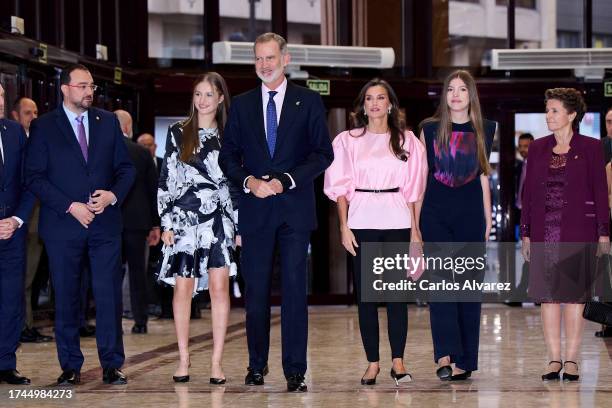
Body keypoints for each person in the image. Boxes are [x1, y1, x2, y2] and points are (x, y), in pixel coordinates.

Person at [219, 32, 333, 392]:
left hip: (294, 212)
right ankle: (256, 366)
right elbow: (227, 156)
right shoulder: (241, 104)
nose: (264, 65)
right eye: (258, 59)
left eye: (270, 58)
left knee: (295, 295)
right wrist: (249, 181)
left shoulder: (309, 101)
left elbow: (322, 154)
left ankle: (295, 370)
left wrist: (286, 179)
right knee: (255, 296)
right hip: (255, 212)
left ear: (286, 58)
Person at [25, 64, 135, 385]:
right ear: (65, 89)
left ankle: (112, 364)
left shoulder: (108, 122)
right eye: (83, 86)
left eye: (92, 87)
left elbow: (125, 169)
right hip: (63, 226)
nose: (89, 92)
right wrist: (70, 206)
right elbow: (33, 176)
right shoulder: (44, 127)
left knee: (107, 295)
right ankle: (70, 365)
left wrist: (112, 196)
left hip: (104, 226)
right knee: (68, 297)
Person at [323, 78, 427, 386]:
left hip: (397, 220)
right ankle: (372, 363)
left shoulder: (408, 140)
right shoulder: (348, 140)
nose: (375, 103)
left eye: (381, 97)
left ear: (391, 103)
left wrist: (416, 233)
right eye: (369, 98)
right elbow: (340, 186)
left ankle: (398, 361)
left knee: (396, 295)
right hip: (362, 220)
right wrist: (343, 226)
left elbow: (415, 191)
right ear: (363, 105)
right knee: (366, 297)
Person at [520, 88, 609, 382]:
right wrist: (526, 232)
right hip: (544, 232)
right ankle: (553, 359)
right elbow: (528, 194)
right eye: (547, 110)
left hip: (578, 231)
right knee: (548, 298)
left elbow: (599, 193)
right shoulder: (537, 148)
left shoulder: (592, 148)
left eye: (554, 110)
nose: (548, 115)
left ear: (571, 115)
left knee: (573, 298)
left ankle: (571, 360)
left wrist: (603, 234)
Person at [415, 69, 496, 381]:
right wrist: (416, 226)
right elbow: (420, 179)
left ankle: (465, 360)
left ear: (470, 95)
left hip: (471, 213)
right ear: (445, 95)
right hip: (435, 212)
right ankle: (445, 355)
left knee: (467, 288)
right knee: (442, 287)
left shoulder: (486, 129)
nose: (456, 95)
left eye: (462, 89)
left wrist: (488, 224)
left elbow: (485, 178)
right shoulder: (430, 129)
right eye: (451, 89)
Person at [157, 72, 237, 384]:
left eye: (208, 95)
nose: (202, 100)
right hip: (184, 220)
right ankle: (183, 357)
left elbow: (236, 182)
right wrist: (165, 221)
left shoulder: (231, 135)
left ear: (220, 99)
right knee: (183, 289)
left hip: (219, 220)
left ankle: (217, 362)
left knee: (219, 289)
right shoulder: (178, 132)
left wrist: (237, 225)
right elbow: (167, 177)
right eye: (198, 94)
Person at [0, 84, 36, 385]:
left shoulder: (13, 133)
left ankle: (5, 363)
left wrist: (17, 218)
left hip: (12, 233)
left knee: (11, 299)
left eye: (0, 96)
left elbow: (29, 181)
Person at [10, 96, 53, 343]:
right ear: (16, 116)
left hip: (42, 223)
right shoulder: (14, 141)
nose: (34, 117)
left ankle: (27, 323)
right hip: (22, 222)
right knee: (22, 279)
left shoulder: (39, 141)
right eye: (28, 112)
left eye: (36, 111)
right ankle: (22, 326)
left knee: (35, 278)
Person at [115, 109, 160, 334]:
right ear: (127, 127)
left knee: (110, 273)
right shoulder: (142, 153)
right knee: (136, 273)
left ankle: (112, 320)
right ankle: (140, 320)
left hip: (110, 222)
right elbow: (153, 191)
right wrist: (155, 224)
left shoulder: (103, 151)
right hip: (137, 223)